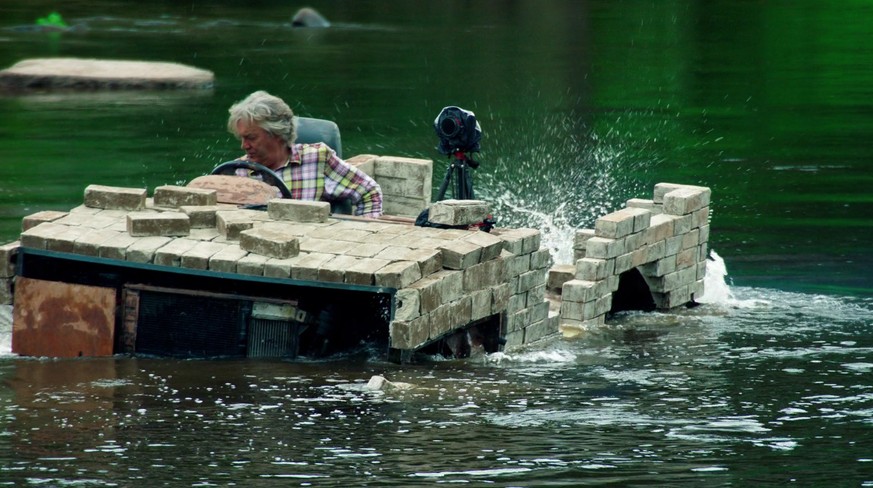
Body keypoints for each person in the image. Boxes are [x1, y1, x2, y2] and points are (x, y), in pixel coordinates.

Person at [226, 90, 382, 218]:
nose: (244, 146)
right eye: (241, 138)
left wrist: (362, 231)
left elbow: (369, 192)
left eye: (251, 138)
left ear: (277, 134)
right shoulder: (238, 171)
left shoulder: (317, 159)